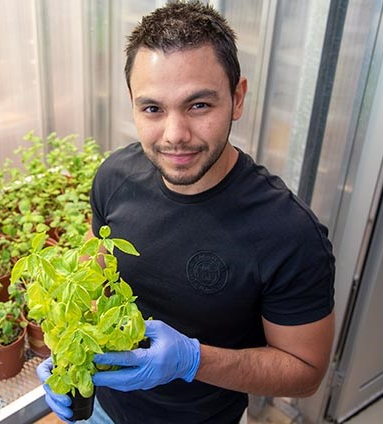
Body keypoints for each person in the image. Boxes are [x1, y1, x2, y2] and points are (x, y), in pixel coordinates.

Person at [37, 2, 335, 423]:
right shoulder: (114, 177)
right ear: (133, 105)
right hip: (103, 408)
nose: (175, 136)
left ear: (237, 99)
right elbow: (94, 269)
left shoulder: (290, 234)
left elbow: (305, 372)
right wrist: (65, 347)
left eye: (198, 105)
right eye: (153, 108)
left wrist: (193, 360)